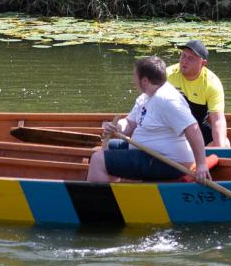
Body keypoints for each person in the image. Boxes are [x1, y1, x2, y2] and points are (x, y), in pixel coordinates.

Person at [87, 56, 211, 184]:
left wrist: (201, 164)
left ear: (145, 81)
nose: (133, 80)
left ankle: (103, 202)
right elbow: (130, 124)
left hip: (169, 162)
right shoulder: (145, 97)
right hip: (147, 153)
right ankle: (118, 193)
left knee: (98, 160)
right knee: (105, 148)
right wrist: (117, 127)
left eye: (135, 76)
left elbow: (193, 128)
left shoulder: (167, 100)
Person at [166, 40, 230, 147]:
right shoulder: (166, 75)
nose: (184, 61)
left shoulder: (212, 83)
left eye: (190, 58)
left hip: (197, 128)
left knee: (225, 144)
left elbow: (218, 120)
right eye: (183, 56)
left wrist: (220, 149)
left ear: (203, 63)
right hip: (170, 129)